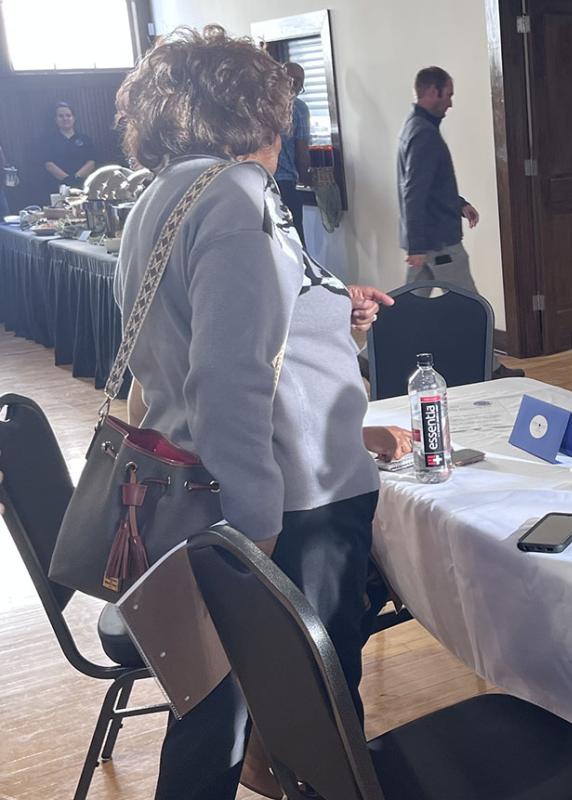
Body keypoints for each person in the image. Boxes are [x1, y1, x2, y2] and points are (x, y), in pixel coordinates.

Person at [112, 26, 407, 800]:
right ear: (257, 115)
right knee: (311, 719)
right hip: (283, 507)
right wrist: (256, 534)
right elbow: (230, 378)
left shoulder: (161, 197)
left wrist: (329, 313)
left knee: (216, 714)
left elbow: (204, 340)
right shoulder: (237, 196)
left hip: (218, 495)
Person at [397, 65, 522, 378]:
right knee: (472, 307)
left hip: (429, 241)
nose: (451, 103)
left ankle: (367, 358)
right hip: (439, 244)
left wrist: (459, 204)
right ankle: (490, 369)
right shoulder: (424, 134)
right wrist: (417, 246)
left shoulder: (415, 126)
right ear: (431, 92)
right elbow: (414, 193)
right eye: (448, 94)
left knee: (408, 305)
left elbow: (432, 186)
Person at [274, 61, 311, 246]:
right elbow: (302, 151)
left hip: (260, 184)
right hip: (286, 186)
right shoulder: (298, 109)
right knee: (297, 246)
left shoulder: (259, 106)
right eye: (292, 80)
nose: (295, 86)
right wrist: (307, 178)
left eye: (299, 82)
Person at [42, 101, 97, 197]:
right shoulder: (48, 140)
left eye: (68, 115)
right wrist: (67, 179)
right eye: (61, 116)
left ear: (74, 118)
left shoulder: (85, 139)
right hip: (58, 188)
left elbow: (91, 161)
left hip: (83, 185)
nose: (65, 119)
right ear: (55, 119)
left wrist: (76, 178)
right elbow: (49, 164)